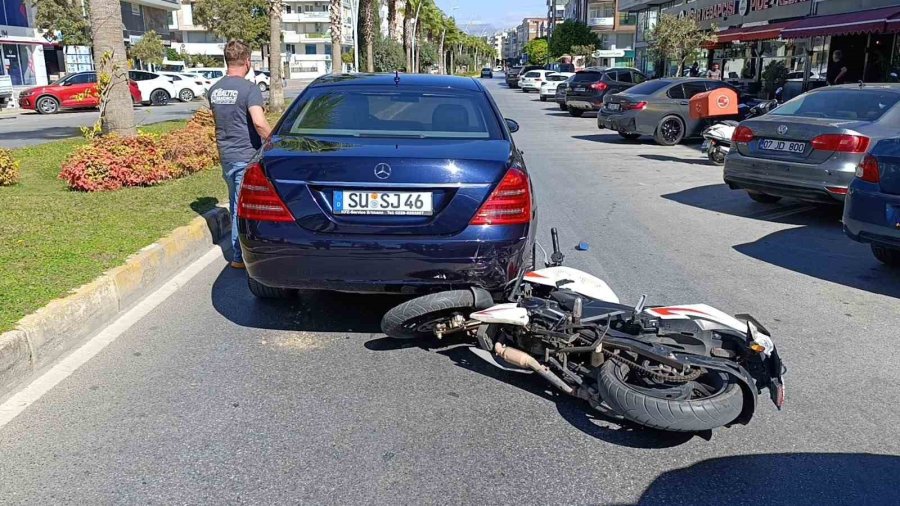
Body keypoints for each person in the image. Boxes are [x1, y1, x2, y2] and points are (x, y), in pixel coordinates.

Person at [208, 40, 273, 269]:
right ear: (247, 62)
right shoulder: (249, 89)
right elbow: (259, 122)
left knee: (236, 202)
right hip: (246, 156)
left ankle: (238, 252)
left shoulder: (214, 90)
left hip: (226, 155)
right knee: (242, 208)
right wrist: (274, 142)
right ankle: (238, 257)